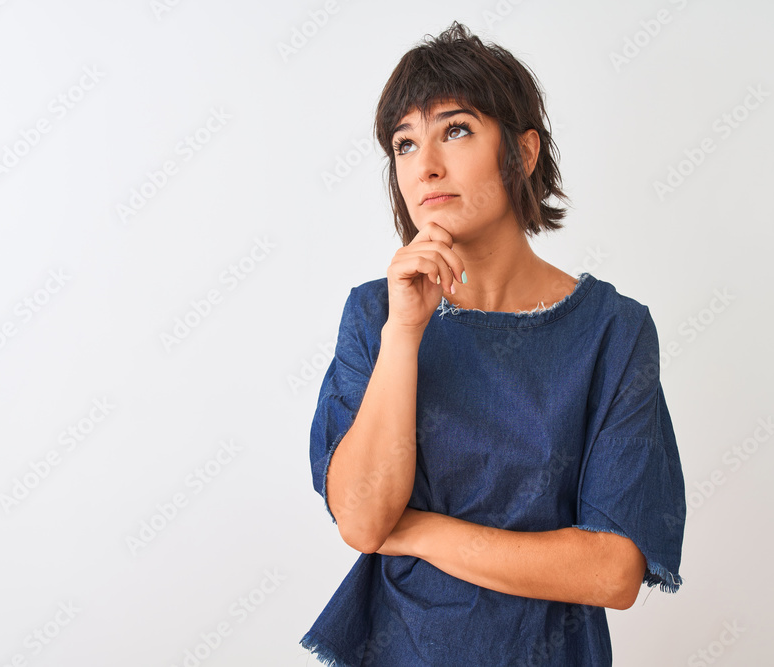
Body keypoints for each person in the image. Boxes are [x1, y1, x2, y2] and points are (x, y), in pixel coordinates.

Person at [300, 21, 686, 666]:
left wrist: (421, 531)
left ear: (523, 152)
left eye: (455, 130)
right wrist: (405, 333)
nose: (425, 166)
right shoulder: (376, 315)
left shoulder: (612, 331)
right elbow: (364, 522)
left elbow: (613, 570)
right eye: (404, 143)